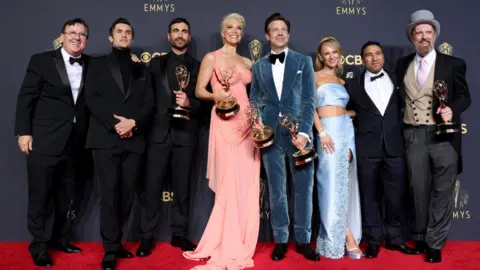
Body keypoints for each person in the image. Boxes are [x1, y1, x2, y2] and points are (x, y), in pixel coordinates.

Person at [182, 13, 260, 269]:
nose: (234, 31)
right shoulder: (212, 57)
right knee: (228, 183)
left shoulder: (249, 60)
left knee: (246, 182)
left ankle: (241, 237)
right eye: (230, 27)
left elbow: (257, 92)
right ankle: (225, 241)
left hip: (247, 123)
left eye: (239, 27)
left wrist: (256, 118)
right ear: (222, 31)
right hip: (225, 120)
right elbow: (198, 90)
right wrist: (218, 97)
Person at [14, 18, 90, 267]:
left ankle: (59, 238)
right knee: (41, 195)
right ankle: (39, 245)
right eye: (72, 32)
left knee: (67, 196)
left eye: (81, 34)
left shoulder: (92, 64)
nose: (77, 37)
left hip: (76, 143)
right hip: (45, 140)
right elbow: (26, 98)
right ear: (62, 35)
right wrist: (23, 133)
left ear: (86, 39)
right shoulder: (42, 60)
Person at [395, 10, 471, 263]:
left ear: (435, 35)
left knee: (443, 190)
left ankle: (435, 243)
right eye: (419, 32)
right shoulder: (402, 64)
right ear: (412, 37)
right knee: (418, 189)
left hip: (443, 135)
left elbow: (464, 96)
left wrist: (453, 109)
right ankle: (419, 235)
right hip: (412, 134)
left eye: (428, 32)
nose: (424, 37)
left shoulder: (453, 64)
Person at [85, 18, 154, 270]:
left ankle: (117, 240)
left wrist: (132, 122)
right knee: (109, 195)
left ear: (132, 39)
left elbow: (149, 104)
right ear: (110, 38)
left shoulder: (143, 70)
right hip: (105, 139)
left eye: (128, 32)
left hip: (133, 139)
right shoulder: (96, 64)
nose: (124, 35)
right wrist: (114, 124)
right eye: (119, 32)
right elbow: (90, 98)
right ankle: (110, 249)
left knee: (126, 196)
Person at [249, 12, 319, 261]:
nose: (279, 33)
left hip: (298, 136)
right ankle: (280, 240)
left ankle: (302, 240)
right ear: (267, 36)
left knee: (304, 189)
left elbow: (310, 99)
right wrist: (255, 120)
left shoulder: (303, 62)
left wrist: (303, 132)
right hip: (270, 136)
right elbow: (255, 98)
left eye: (283, 29)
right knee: (276, 191)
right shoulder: (258, 66)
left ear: (288, 34)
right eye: (274, 29)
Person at [347, 41, 419, 258]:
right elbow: (340, 109)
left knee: (395, 196)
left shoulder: (398, 79)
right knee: (369, 196)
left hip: (395, 146)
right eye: (368, 55)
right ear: (362, 60)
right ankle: (373, 240)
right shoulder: (353, 85)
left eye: (378, 53)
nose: (374, 58)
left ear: (383, 57)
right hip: (366, 147)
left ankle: (396, 239)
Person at [136, 17, 200, 256]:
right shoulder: (155, 65)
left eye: (184, 31)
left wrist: (190, 102)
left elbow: (205, 103)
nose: (180, 34)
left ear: (189, 37)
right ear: (169, 35)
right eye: (176, 31)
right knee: (151, 188)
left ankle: (180, 234)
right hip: (158, 135)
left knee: (183, 190)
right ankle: (147, 237)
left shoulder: (199, 65)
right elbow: (144, 97)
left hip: (186, 136)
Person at [312, 36, 362, 259]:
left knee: (343, 184)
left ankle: (347, 231)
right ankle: (344, 235)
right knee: (330, 184)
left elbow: (343, 108)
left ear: (339, 54)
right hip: (327, 134)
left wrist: (348, 114)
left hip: (346, 131)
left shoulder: (342, 82)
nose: (331, 56)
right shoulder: (314, 77)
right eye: (326, 53)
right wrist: (321, 132)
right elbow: (309, 107)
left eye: (335, 52)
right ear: (320, 56)